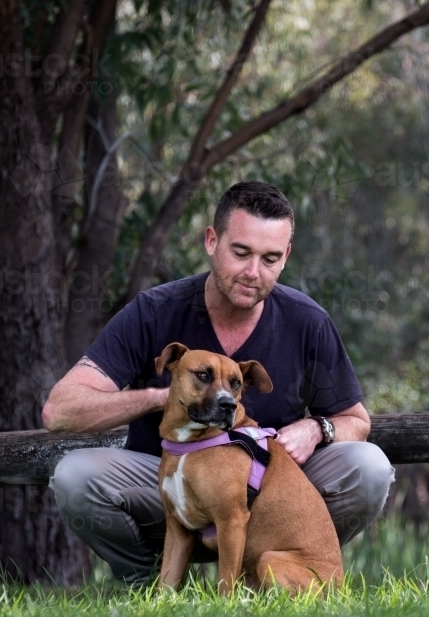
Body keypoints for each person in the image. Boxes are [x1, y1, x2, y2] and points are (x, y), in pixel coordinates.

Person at [42, 181, 394, 586]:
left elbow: (357, 421)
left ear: (286, 258)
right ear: (212, 240)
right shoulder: (153, 312)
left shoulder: (307, 321)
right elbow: (60, 409)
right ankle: (145, 584)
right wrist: (164, 396)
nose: (252, 272)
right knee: (75, 476)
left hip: (271, 487)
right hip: (164, 474)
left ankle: (285, 574)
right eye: (241, 252)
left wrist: (318, 428)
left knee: (369, 467)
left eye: (270, 258)